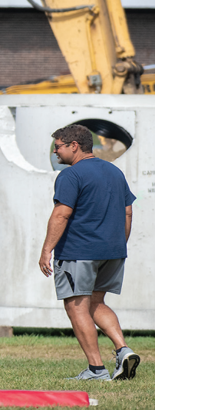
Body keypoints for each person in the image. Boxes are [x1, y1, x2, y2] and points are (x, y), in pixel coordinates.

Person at [38, 124, 140, 381]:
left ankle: (96, 369)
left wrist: (46, 249)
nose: (55, 152)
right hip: (113, 251)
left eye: (58, 146)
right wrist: (119, 244)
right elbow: (128, 212)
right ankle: (123, 349)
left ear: (74, 145)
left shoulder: (70, 175)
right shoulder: (115, 172)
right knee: (96, 302)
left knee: (77, 306)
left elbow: (62, 213)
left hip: (78, 251)